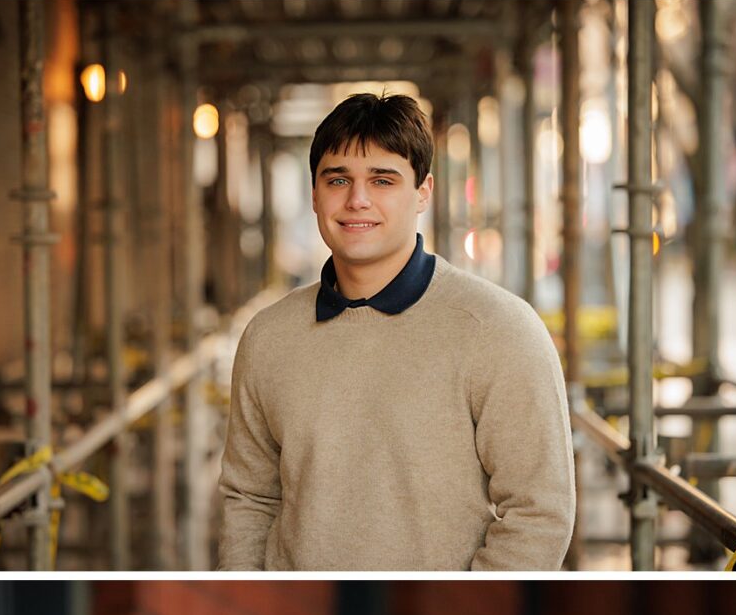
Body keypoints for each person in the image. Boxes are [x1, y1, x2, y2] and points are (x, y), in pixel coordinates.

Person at [219, 91, 574, 571]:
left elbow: (539, 511)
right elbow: (249, 498)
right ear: (315, 195)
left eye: (382, 180)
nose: (357, 200)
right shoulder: (268, 336)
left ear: (423, 191)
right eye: (337, 179)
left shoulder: (498, 329)